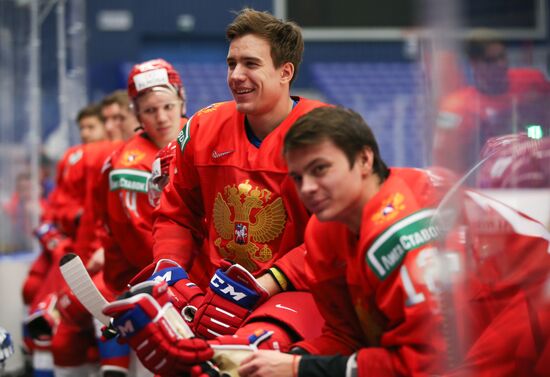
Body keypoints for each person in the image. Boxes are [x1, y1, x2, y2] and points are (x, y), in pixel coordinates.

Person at [236, 106, 550, 376]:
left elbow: (420, 366)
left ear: (364, 160)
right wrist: (275, 358)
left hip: (532, 303)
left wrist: (296, 369)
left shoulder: (401, 231)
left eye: (320, 170)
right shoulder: (323, 230)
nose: (308, 188)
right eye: (298, 177)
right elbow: (349, 338)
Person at [101, 8, 328, 376]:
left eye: (250, 64)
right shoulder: (205, 127)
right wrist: (171, 272)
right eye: (231, 63)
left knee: (245, 360)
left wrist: (266, 283)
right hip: (212, 296)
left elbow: (338, 231)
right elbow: (176, 213)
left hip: (299, 295)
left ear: (285, 72)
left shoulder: (326, 132)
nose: (236, 75)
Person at [432, 30, 550, 175]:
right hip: (487, 185)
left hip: (536, 175)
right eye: (491, 60)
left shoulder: (531, 82)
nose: (501, 64)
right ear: (474, 64)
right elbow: (445, 165)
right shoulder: (456, 108)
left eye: (502, 57)